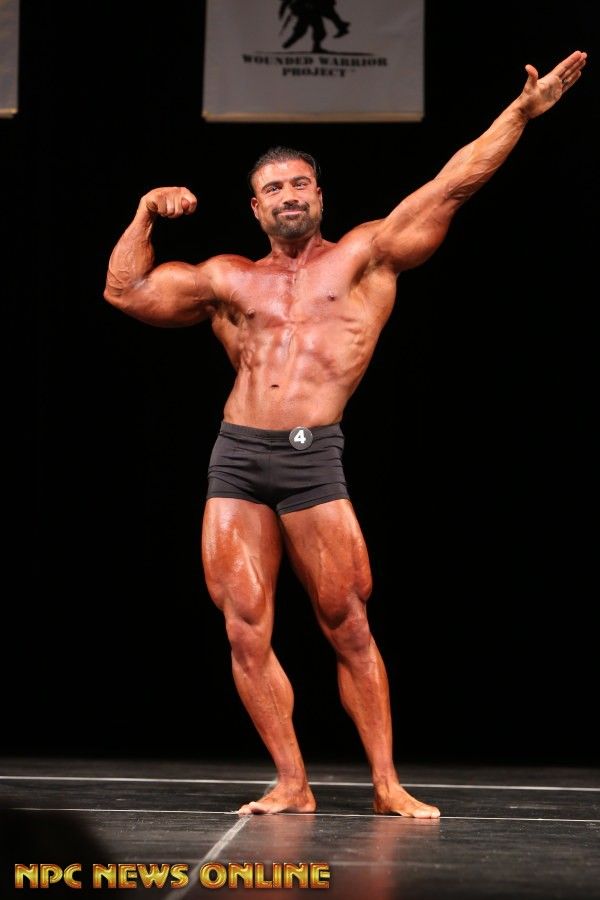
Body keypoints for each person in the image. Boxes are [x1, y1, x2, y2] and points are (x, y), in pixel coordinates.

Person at [103, 50, 586, 818]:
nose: (288, 195)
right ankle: (291, 783)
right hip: (237, 456)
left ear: (319, 195)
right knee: (244, 629)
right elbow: (124, 290)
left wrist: (520, 115)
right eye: (273, 189)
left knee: (348, 623)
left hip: (310, 457)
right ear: (255, 208)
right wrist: (143, 212)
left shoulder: (366, 257)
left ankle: (386, 784)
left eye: (299, 183)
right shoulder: (229, 278)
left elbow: (453, 182)